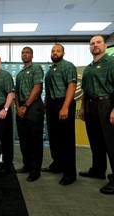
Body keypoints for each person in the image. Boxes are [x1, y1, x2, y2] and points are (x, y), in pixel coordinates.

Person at [79, 35, 114, 194]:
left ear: (105, 45)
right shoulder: (89, 67)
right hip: (91, 105)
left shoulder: (111, 62)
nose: (95, 45)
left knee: (110, 143)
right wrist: (83, 108)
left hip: (106, 104)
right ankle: (98, 170)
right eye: (92, 43)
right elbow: (85, 90)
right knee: (95, 140)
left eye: (98, 42)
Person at [42, 44, 77, 185]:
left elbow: (72, 85)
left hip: (63, 103)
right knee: (54, 138)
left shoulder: (68, 66)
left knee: (66, 140)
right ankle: (57, 165)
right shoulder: (50, 69)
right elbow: (50, 89)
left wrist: (65, 107)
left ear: (63, 52)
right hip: (51, 104)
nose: (55, 53)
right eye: (53, 51)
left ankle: (70, 174)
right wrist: (45, 105)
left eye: (58, 51)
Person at [15, 47, 44, 182]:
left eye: (27, 52)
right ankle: (27, 165)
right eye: (22, 53)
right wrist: (18, 107)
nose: (24, 54)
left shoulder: (36, 68)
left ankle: (35, 170)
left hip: (33, 106)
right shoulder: (20, 73)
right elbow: (15, 92)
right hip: (21, 107)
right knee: (24, 139)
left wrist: (26, 106)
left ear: (32, 55)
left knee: (35, 140)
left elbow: (37, 88)